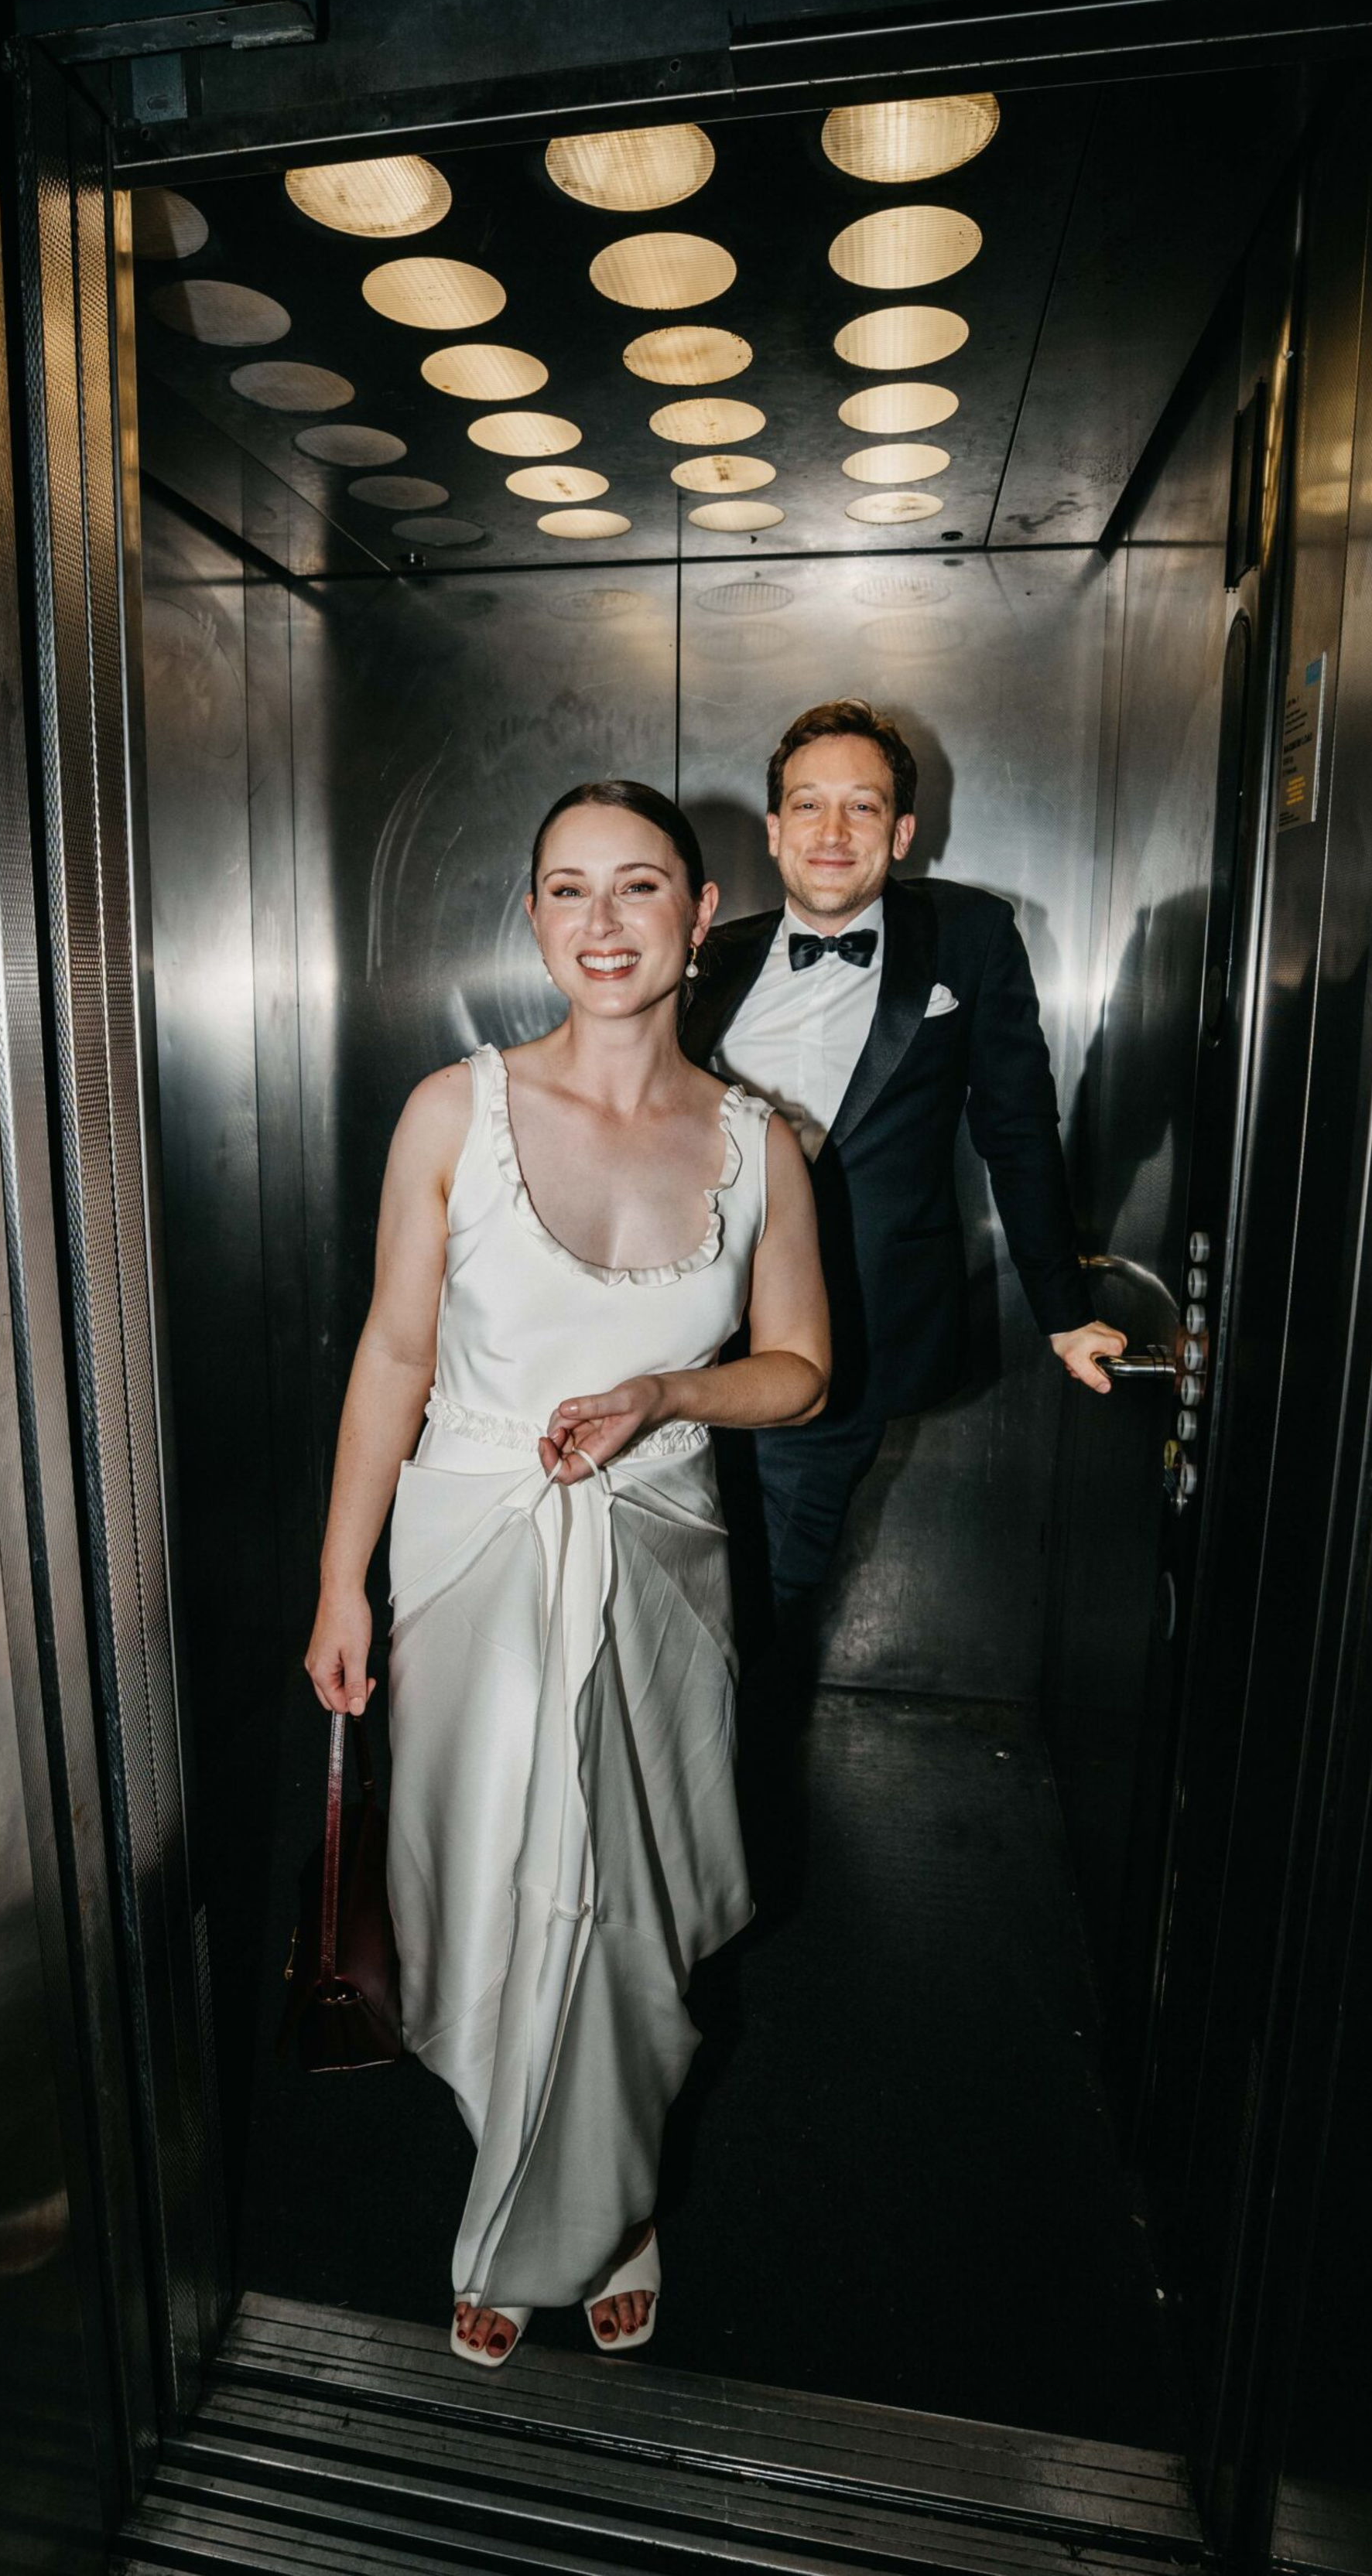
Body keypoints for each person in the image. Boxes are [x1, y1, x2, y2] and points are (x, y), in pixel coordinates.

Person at [303, 779, 828, 2371]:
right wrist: (339, 1582)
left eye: (639, 888)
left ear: (701, 911)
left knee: (627, 1901)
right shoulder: (447, 1111)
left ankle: (598, 2204)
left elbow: (800, 1368)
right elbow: (394, 1350)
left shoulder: (759, 1144)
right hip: (468, 1551)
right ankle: (532, 2181)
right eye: (567, 889)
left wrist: (670, 1391)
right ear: (534, 913)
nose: (602, 924)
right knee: (489, 1883)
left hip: (662, 1554)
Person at [683, 698, 1123, 1614]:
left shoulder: (969, 937)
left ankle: (739, 1755)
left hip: (850, 1339)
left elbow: (1017, 1127)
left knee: (774, 1597)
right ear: (773, 830)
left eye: (863, 806)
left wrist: (1064, 1311)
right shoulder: (709, 959)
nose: (833, 832)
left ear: (904, 829)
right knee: (674, 1590)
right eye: (807, 805)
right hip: (682, 1335)